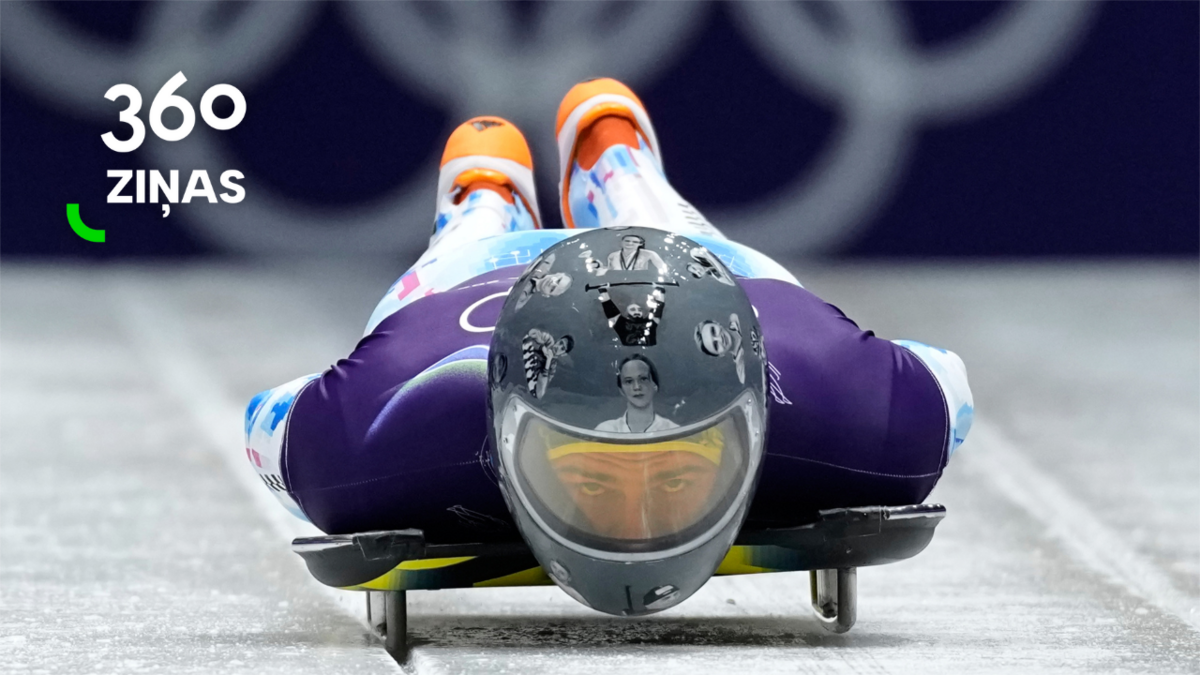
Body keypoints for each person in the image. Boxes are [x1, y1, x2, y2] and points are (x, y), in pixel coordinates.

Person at [245, 78, 973, 615]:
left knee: (670, 240)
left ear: (755, 422)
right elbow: (953, 388)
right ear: (499, 432)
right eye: (592, 480)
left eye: (679, 475)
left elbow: (262, 419)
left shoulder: (835, 388)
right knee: (468, 249)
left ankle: (570, 177)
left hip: (713, 284)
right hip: (472, 287)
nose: (639, 528)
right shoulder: (388, 417)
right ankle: (527, 190)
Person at [594, 354, 679, 433]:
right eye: (629, 381)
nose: (637, 387)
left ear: (655, 385)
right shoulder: (605, 431)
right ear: (621, 390)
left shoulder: (672, 430)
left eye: (643, 379)